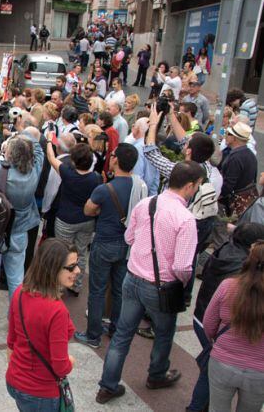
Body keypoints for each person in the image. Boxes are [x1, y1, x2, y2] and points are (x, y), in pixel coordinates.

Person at [97, 162, 205, 404]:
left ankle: (107, 385)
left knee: (122, 335)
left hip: (132, 277)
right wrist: (182, 285)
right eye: (197, 185)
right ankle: (156, 374)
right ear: (189, 186)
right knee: (164, 333)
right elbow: (182, 267)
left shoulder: (147, 203)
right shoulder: (186, 219)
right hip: (162, 287)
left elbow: (129, 237)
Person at [0, 117, 44, 336]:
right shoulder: (35, 170)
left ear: (9, 154)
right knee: (16, 277)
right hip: (20, 230)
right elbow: (39, 145)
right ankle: (18, 321)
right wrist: (23, 128)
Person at [187, 223, 264, 412]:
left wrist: (218, 343)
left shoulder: (223, 255)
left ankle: (196, 408)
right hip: (258, 371)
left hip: (220, 355)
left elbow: (210, 325)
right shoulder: (237, 276)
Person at [75, 144, 145, 348]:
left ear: (116, 160)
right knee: (119, 289)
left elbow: (88, 210)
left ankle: (93, 335)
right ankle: (115, 328)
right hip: (126, 244)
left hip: (105, 242)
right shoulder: (139, 186)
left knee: (97, 290)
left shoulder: (105, 189)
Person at [6, 239, 79, 411]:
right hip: (41, 394)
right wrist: (71, 362)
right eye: (71, 267)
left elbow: (11, 342)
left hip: (15, 381)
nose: (78, 270)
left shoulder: (20, 291)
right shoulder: (57, 311)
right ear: (52, 269)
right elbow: (60, 367)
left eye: (77, 264)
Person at [46, 142, 101, 295]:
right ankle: (76, 284)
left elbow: (51, 157)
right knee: (81, 252)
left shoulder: (67, 173)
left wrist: (50, 141)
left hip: (65, 220)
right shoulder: (95, 178)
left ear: (74, 160)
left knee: (63, 252)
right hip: (86, 220)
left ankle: (59, 285)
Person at [219, 122, 257, 217]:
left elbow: (228, 186)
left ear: (234, 138)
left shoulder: (235, 158)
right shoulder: (251, 155)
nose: (225, 136)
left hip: (235, 203)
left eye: (228, 133)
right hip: (248, 200)